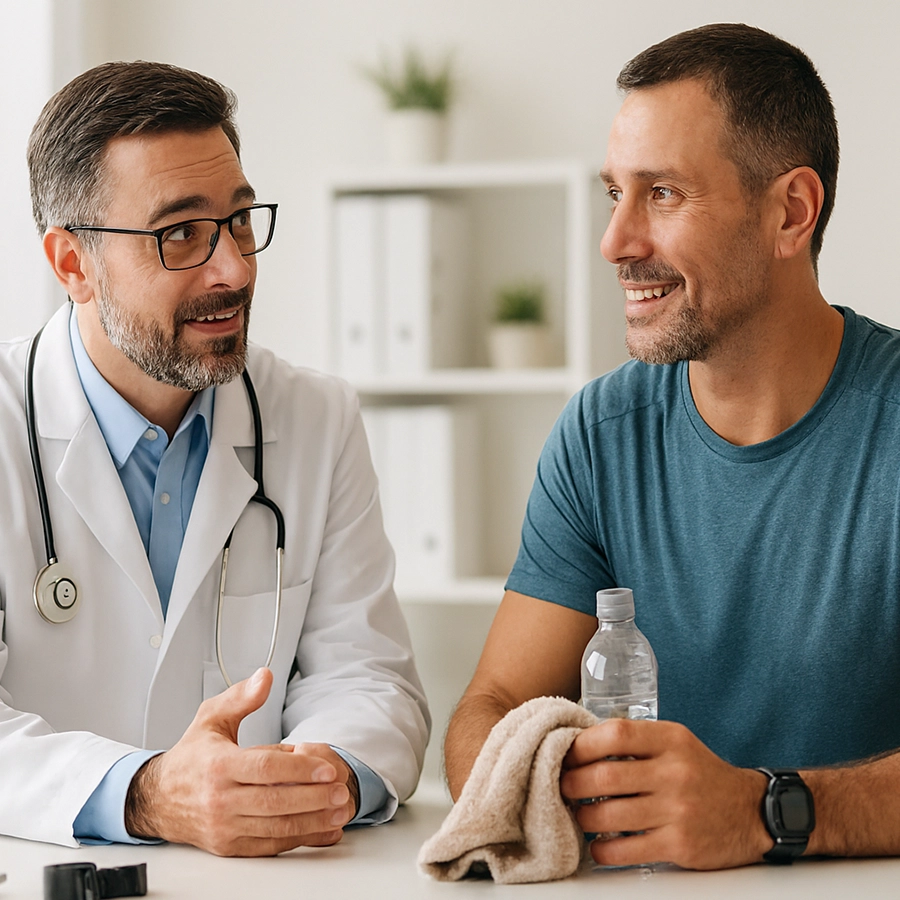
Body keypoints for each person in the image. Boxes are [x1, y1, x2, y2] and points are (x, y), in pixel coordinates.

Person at [445, 23, 900, 870]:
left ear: (791, 212)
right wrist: (552, 777)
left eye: (663, 194)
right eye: (613, 193)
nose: (617, 242)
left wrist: (767, 811)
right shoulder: (598, 436)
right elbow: (494, 707)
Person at [0, 60, 429, 856]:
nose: (232, 268)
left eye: (238, 220)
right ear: (72, 264)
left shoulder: (315, 416)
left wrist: (315, 777)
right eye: (181, 235)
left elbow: (371, 679)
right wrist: (147, 794)